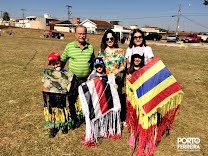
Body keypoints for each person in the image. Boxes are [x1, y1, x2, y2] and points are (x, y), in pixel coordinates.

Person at [61, 25, 95, 128]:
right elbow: (62, 61)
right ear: (75, 34)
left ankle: (85, 118)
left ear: (86, 34)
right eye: (79, 33)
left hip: (86, 79)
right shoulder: (69, 46)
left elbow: (93, 63)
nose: (81, 35)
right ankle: (74, 119)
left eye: (83, 33)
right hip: (73, 79)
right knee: (72, 99)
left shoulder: (90, 47)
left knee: (86, 100)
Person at [42, 52, 75, 138]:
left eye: (57, 62)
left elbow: (70, 82)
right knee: (52, 110)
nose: (55, 64)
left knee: (62, 109)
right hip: (50, 95)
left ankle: (63, 124)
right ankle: (53, 127)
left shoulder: (67, 73)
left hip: (62, 95)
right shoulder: (48, 72)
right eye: (53, 63)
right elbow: (44, 84)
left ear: (60, 61)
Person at [98, 29, 126, 123]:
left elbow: (123, 65)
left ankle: (116, 120)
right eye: (107, 39)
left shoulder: (120, 51)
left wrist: (117, 71)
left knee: (117, 100)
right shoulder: (101, 52)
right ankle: (107, 121)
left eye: (111, 38)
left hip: (116, 81)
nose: (109, 40)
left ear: (114, 39)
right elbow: (98, 67)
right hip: (105, 81)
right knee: (106, 100)